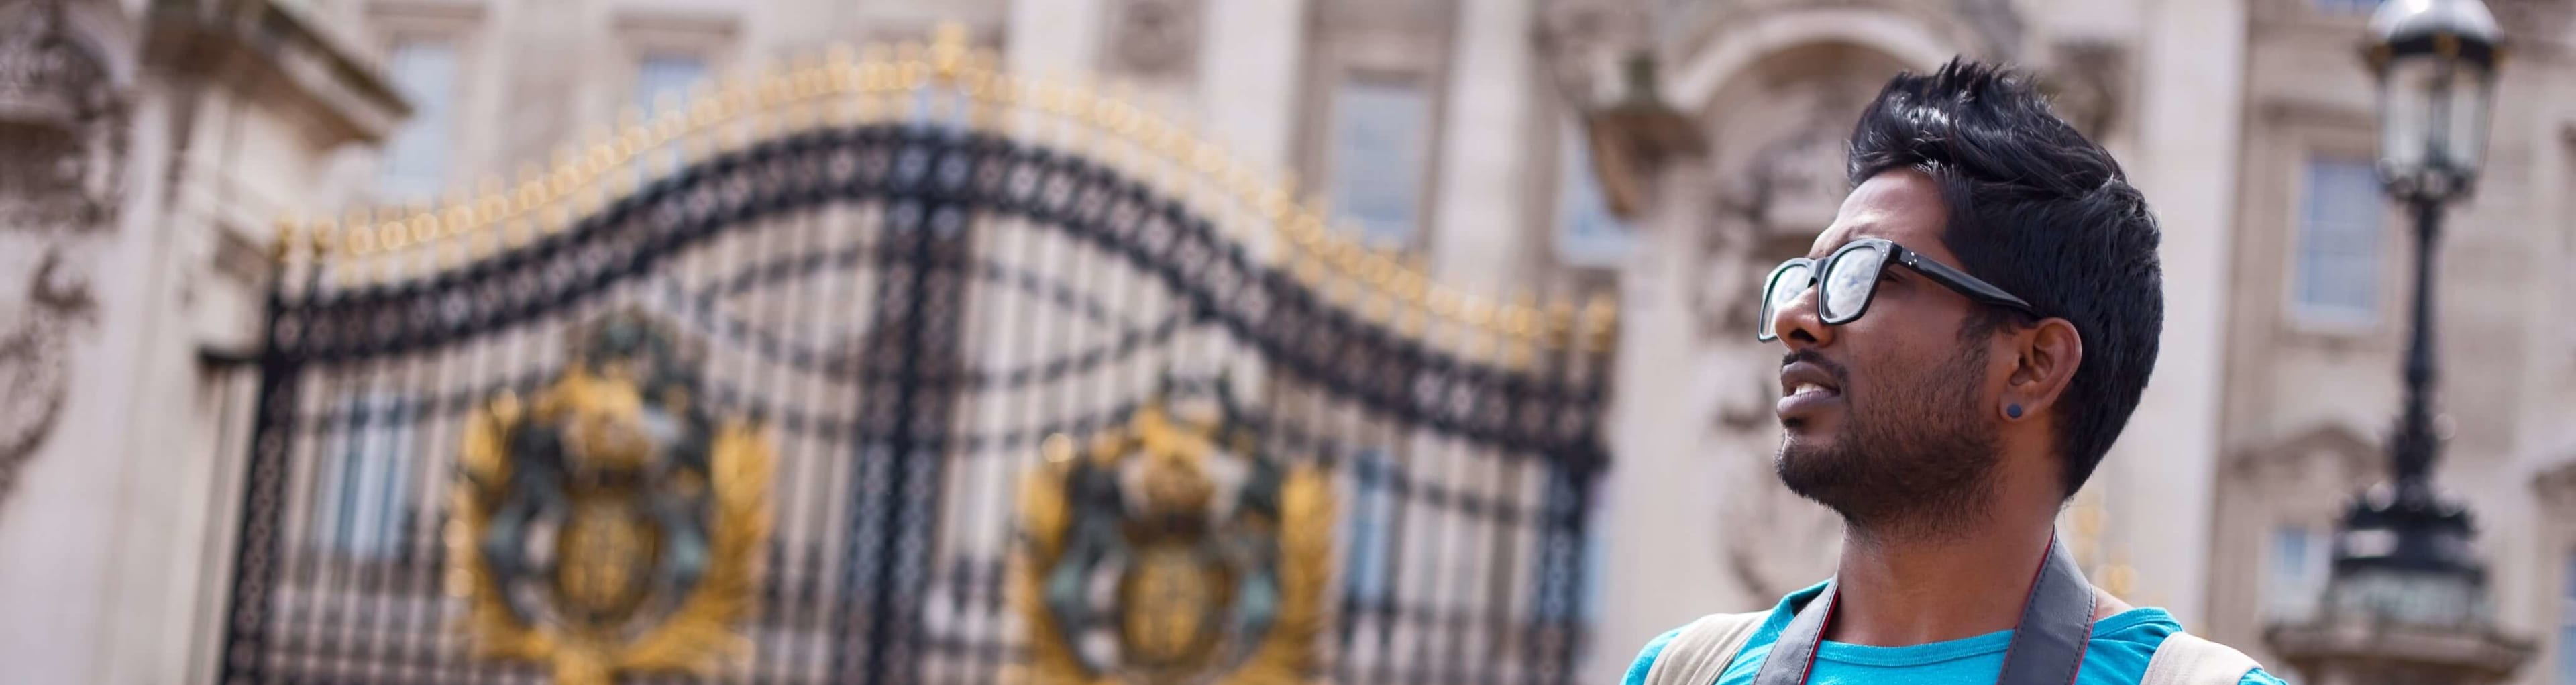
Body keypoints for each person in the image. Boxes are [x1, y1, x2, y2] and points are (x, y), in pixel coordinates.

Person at [1621, 60, 2287, 685]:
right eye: (1809, 276)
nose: (1797, 315)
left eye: (1862, 274)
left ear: (2032, 365)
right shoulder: (1685, 672)